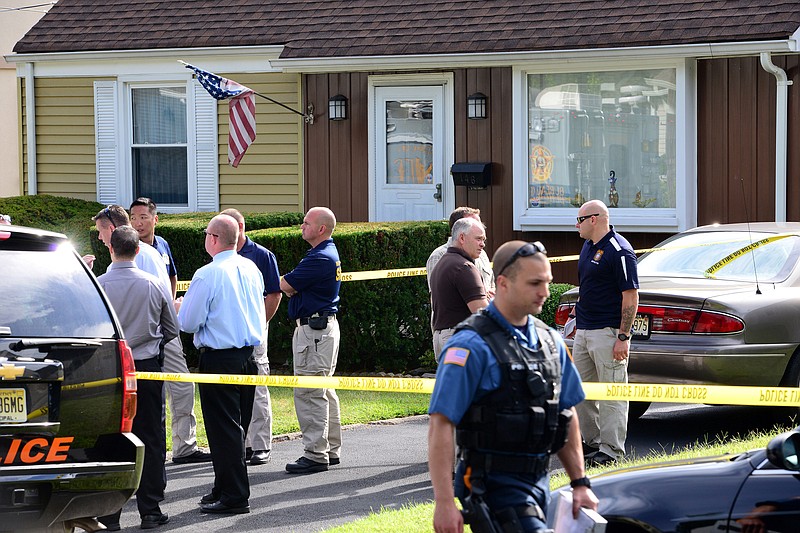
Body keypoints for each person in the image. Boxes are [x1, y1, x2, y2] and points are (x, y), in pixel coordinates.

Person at [428, 240, 598, 533]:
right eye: (534, 283)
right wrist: (444, 502)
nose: (544, 292)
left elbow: (566, 413)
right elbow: (441, 423)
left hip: (539, 484)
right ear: (503, 283)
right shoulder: (470, 344)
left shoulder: (550, 341)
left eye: (547, 282)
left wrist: (580, 482)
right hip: (492, 488)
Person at [175, 214, 265, 515]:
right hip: (248, 356)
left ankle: (236, 496)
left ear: (213, 239)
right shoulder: (250, 267)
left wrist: (179, 307)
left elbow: (188, 322)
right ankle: (224, 486)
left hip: (219, 357)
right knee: (235, 428)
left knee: (223, 430)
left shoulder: (207, 274)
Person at [97, 226, 179, 530]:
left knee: (109, 437)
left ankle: (108, 513)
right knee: (151, 438)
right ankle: (150, 508)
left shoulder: (99, 285)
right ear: (138, 250)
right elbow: (171, 329)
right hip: (144, 367)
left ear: (111, 249)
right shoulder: (154, 284)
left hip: (109, 369)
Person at [130, 197, 211, 465]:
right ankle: (148, 452)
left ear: (155, 219)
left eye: (143, 217)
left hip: (167, 330)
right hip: (142, 333)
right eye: (133, 217)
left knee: (182, 384)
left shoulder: (162, 245)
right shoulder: (129, 247)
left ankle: (185, 447)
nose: (138, 222)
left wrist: (170, 311)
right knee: (150, 393)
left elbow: (172, 277)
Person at [573, 199, 639, 466]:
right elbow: (588, 286)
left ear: (594, 219)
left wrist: (623, 337)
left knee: (612, 394)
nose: (575, 225)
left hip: (608, 332)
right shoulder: (588, 246)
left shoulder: (620, 251)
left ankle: (611, 451)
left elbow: (631, 297)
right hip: (584, 331)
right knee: (581, 391)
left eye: (579, 220)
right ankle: (590, 442)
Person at [280, 207, 342, 474]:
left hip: (314, 333)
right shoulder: (323, 254)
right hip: (321, 330)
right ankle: (330, 449)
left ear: (321, 229)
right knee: (324, 390)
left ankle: (316, 454)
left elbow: (286, 286)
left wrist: (280, 282)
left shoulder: (320, 258)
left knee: (309, 392)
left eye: (306, 223)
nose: (301, 226)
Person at [221, 208, 282, 466]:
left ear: (241, 227)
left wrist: (259, 325)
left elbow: (274, 294)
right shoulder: (223, 253)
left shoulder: (262, 255)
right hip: (230, 333)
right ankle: (242, 443)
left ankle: (260, 445)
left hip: (254, 331)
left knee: (257, 386)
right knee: (235, 388)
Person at [428, 217, 490, 361]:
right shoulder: (463, 267)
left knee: (455, 382)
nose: (482, 244)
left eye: (484, 240)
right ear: (462, 238)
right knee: (468, 382)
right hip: (459, 339)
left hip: (446, 337)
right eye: (478, 239)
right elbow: (482, 312)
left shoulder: (443, 262)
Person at [427, 206, 495, 298]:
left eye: (479, 223)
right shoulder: (438, 256)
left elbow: (491, 285)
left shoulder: (482, 254)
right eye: (473, 223)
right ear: (458, 228)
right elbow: (438, 297)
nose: (479, 227)